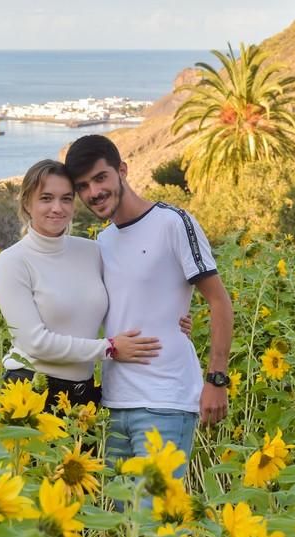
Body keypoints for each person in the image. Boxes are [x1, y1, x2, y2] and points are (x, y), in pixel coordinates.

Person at [64, 135, 233, 479]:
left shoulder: (172, 222)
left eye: (100, 178)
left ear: (122, 171)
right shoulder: (103, 241)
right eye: (83, 186)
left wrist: (216, 379)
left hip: (166, 401)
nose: (93, 192)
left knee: (154, 523)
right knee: (122, 526)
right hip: (114, 404)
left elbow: (219, 300)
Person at [0, 159, 169, 409]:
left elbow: (133, 291)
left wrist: (173, 316)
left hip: (83, 396)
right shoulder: (13, 261)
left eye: (66, 198)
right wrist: (110, 349)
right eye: (46, 198)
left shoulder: (92, 251)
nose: (57, 208)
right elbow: (35, 343)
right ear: (27, 204)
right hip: (30, 392)